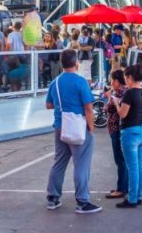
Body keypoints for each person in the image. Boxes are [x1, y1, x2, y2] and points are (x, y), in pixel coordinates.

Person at [44, 49, 101, 214]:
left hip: (60, 125)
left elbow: (48, 105)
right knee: (81, 164)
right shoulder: (81, 82)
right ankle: (82, 201)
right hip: (78, 127)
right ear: (76, 63)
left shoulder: (55, 82)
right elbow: (88, 108)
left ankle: (53, 197)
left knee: (59, 162)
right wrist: (91, 127)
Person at [116, 64, 142, 208]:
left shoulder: (129, 93)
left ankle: (132, 199)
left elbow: (123, 114)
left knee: (133, 167)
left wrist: (116, 103)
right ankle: (138, 195)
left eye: (126, 78)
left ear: (130, 77)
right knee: (139, 166)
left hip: (130, 131)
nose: (125, 81)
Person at [104, 69, 128, 199]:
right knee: (122, 159)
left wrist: (109, 98)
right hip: (116, 128)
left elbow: (107, 109)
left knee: (120, 159)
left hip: (117, 129)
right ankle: (124, 185)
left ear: (118, 81)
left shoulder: (119, 94)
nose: (111, 83)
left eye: (113, 80)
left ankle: (121, 188)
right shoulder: (122, 92)